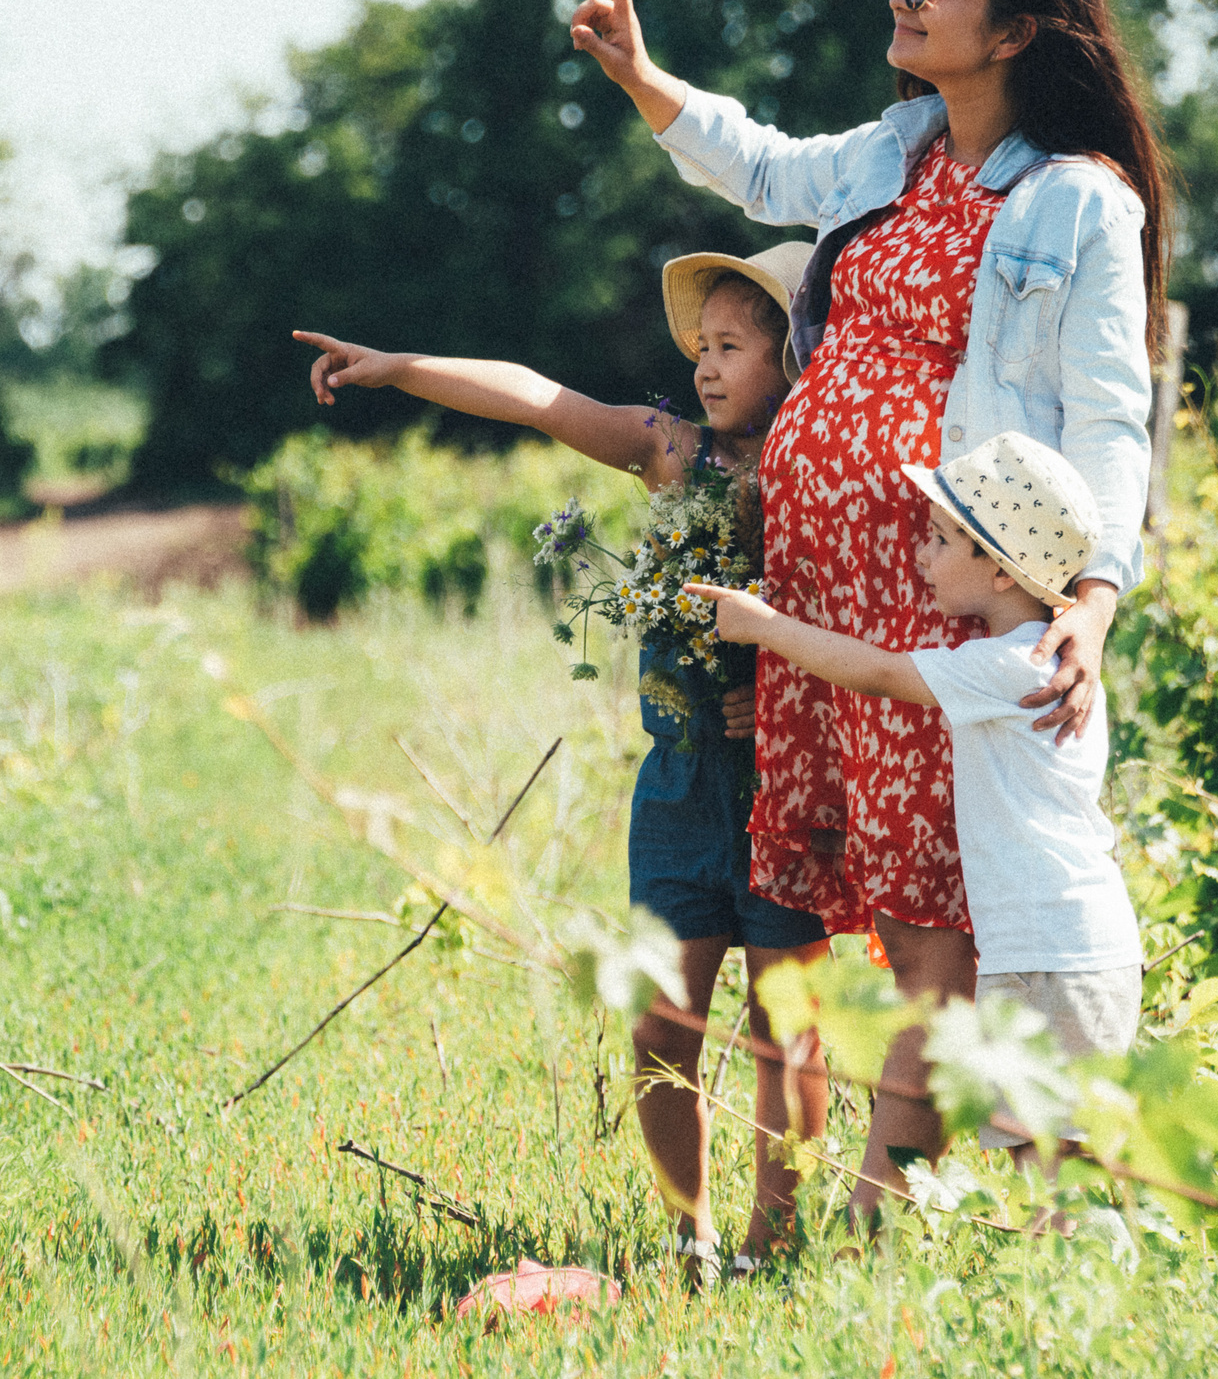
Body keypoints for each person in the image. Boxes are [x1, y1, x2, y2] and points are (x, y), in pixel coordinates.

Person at [569, 0, 1166, 1222]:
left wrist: (1097, 597)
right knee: (879, 907)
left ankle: (881, 1206)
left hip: (934, 588)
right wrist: (644, 80)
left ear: (1015, 28)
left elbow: (1112, 415)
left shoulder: (1076, 201)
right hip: (824, 587)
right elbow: (766, 171)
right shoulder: (897, 152)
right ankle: (853, 1202)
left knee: (929, 919)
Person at [291, 242, 830, 1279]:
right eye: (700, 346)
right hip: (677, 789)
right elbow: (540, 397)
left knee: (786, 1030)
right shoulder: (672, 450)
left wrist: (775, 693)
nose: (707, 366)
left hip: (785, 788)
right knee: (661, 1024)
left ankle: (776, 1235)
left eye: (732, 345)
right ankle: (694, 1232)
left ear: (795, 350)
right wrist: (400, 366)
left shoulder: (823, 469)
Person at [690, 432, 1142, 1184]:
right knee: (1055, 1158)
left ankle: (1094, 1292)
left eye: (939, 539)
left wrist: (763, 625)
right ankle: (1075, 1294)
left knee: (1054, 1161)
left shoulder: (1009, 665)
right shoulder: (1052, 662)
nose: (921, 557)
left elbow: (874, 671)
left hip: (1047, 951)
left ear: (999, 568)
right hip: (1072, 944)